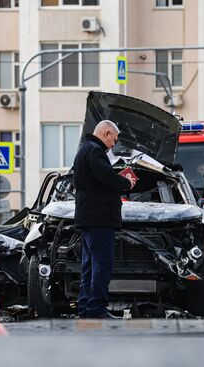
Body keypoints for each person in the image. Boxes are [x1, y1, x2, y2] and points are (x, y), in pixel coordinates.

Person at [73, 120, 136, 319]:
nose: (113, 145)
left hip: (89, 217)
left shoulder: (85, 149)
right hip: (99, 217)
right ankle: (96, 309)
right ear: (106, 133)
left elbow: (99, 178)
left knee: (89, 266)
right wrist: (127, 182)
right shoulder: (95, 151)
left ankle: (85, 309)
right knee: (102, 265)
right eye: (114, 140)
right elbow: (106, 177)